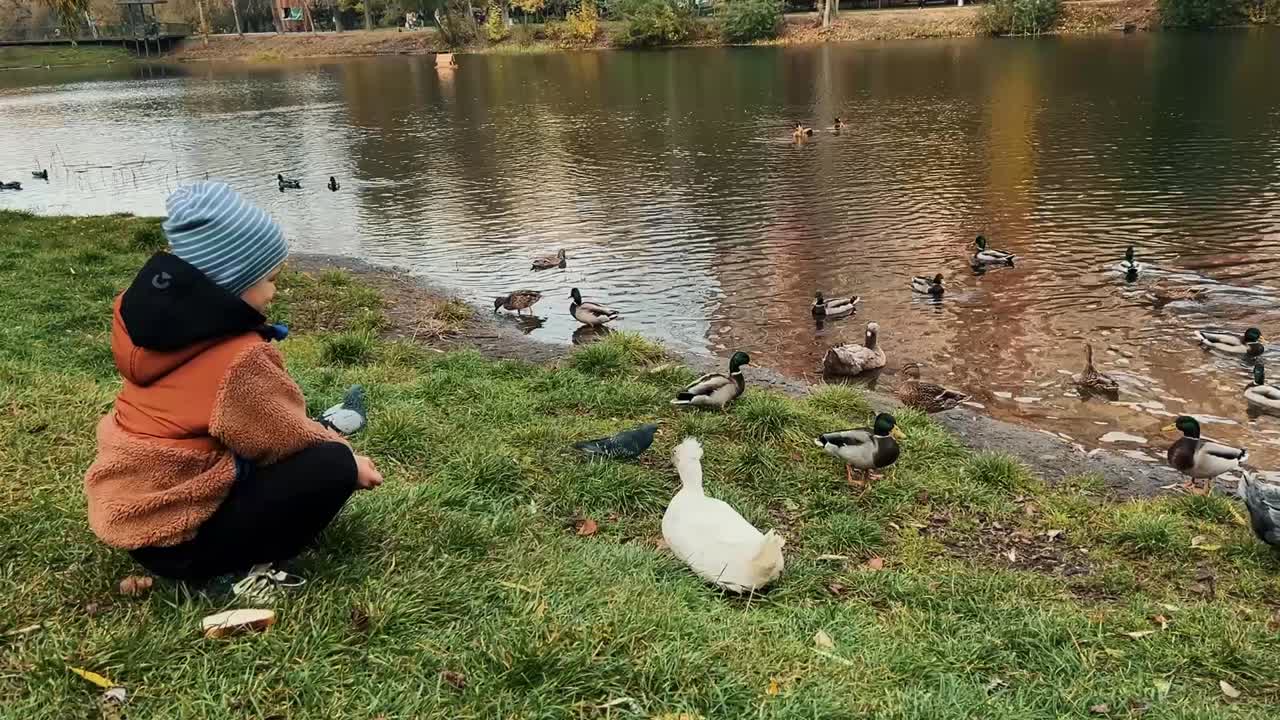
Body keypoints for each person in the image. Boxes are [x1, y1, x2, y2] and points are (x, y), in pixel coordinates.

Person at [83, 181, 383, 602]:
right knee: (329, 465)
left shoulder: (148, 329)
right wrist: (350, 461)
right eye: (270, 279)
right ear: (233, 281)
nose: (275, 291)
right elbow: (286, 438)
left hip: (139, 522)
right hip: (182, 540)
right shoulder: (239, 359)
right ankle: (236, 568)